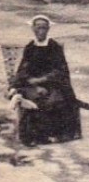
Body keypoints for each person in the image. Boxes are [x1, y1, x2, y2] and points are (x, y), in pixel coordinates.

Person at [9, 15, 82, 145]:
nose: (41, 31)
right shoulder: (30, 47)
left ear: (48, 29)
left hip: (54, 84)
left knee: (52, 100)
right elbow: (23, 68)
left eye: (44, 28)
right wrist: (28, 83)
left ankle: (49, 135)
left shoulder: (54, 47)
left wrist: (41, 81)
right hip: (32, 84)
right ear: (33, 29)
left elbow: (60, 71)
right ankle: (33, 136)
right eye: (38, 28)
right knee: (30, 97)